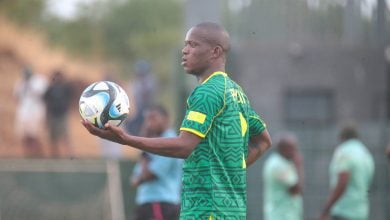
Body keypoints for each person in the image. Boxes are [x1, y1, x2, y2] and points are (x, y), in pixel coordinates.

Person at [82, 22, 272, 219]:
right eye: (185, 44)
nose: (185, 50)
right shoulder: (236, 92)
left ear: (215, 52)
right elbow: (264, 141)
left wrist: (126, 139)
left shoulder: (207, 91)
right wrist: (227, 173)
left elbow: (184, 146)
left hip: (207, 212)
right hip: (232, 211)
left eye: (193, 45)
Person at [131, 105, 182, 220]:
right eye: (147, 119)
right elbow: (134, 180)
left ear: (166, 119)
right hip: (147, 202)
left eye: (153, 118)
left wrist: (144, 151)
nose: (149, 123)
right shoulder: (153, 144)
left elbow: (148, 175)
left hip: (161, 202)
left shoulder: (170, 142)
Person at [319, 124, 374, 220]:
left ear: (342, 137)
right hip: (361, 211)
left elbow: (342, 182)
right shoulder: (366, 153)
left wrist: (326, 209)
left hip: (344, 210)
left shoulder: (343, 152)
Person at [263, 133, 303, 220]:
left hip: (286, 214)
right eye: (292, 148)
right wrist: (299, 166)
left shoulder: (284, 162)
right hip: (281, 215)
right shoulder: (278, 165)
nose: (295, 151)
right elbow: (296, 189)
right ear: (283, 148)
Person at [14, 65, 47, 157]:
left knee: (34, 135)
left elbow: (42, 94)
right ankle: (27, 155)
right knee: (23, 136)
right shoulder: (20, 83)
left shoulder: (39, 81)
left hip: (36, 112)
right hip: (23, 112)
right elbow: (16, 97)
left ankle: (38, 154)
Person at [43, 70, 74, 158]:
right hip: (53, 115)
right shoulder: (50, 88)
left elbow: (71, 99)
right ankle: (55, 157)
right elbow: (46, 102)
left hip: (62, 115)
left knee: (65, 137)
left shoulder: (66, 88)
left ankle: (70, 156)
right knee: (53, 138)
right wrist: (46, 117)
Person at [125, 60, 156, 135]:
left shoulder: (149, 80)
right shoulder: (136, 82)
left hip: (147, 107)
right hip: (139, 108)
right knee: (130, 124)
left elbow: (146, 94)